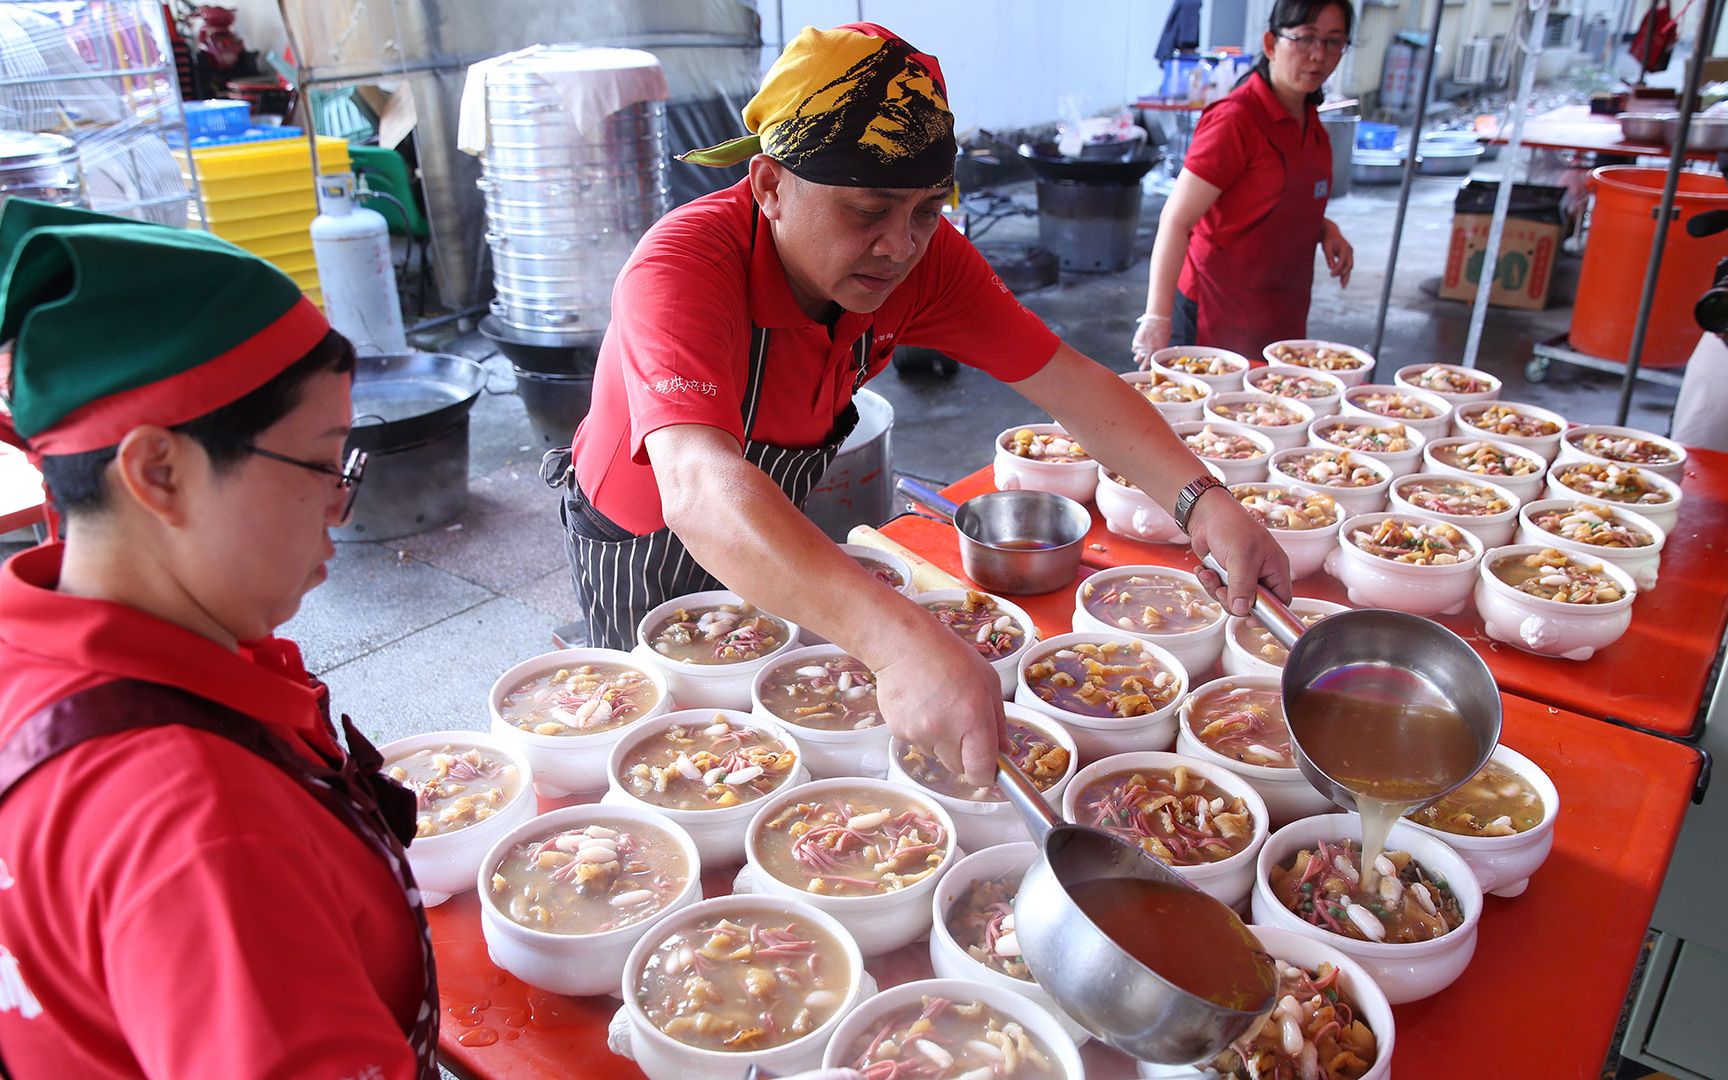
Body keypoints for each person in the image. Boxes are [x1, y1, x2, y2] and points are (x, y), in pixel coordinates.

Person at [552, 23, 1291, 787]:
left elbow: (1071, 383)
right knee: (658, 756)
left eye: (926, 210)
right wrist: (899, 641)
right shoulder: (683, 268)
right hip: (643, 541)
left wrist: (1204, 502)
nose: (899, 247)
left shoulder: (923, 263)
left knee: (764, 758)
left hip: (764, 530)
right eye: (867, 211)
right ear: (771, 185)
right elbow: (700, 487)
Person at [0, 201, 435, 1078]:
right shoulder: (199, 829)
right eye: (322, 462)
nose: (338, 509)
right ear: (159, 471)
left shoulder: (43, 651)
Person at [1132, 0, 1357, 362]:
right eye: (1305, 39)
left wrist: (1323, 227)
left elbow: (1276, 197)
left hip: (1281, 316)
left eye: (1333, 42)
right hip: (1217, 316)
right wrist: (1157, 317)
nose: (1318, 55)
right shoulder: (1236, 120)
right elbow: (1176, 218)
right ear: (1271, 44)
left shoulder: (1310, 120)